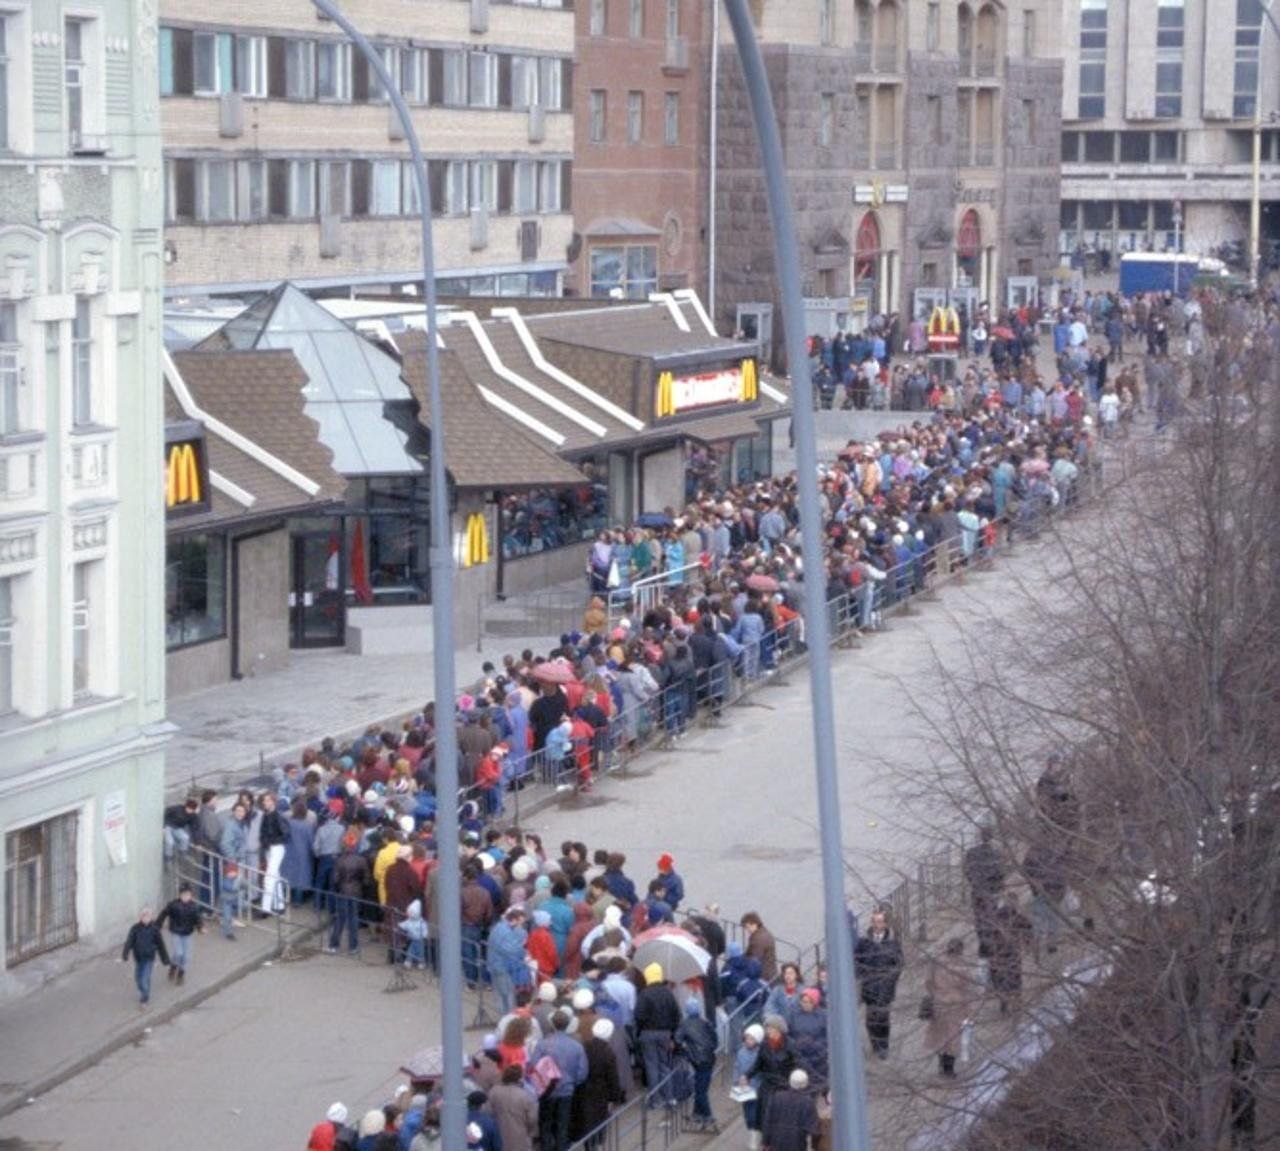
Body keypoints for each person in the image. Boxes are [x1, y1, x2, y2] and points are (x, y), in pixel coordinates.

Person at [531, 1007, 588, 1151]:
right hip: (566, 1091)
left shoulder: (542, 1044)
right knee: (563, 1124)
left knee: (545, 1124)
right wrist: (572, 1083)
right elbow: (582, 1072)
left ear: (552, 1024)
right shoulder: (576, 1046)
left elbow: (533, 1066)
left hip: (547, 1091)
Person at [853, 908, 904, 1059]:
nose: (877, 925)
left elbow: (899, 964)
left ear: (885, 924)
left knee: (883, 1019)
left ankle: (883, 1046)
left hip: (885, 988)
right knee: (870, 1020)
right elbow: (856, 960)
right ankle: (875, 1044)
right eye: (874, 921)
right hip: (869, 987)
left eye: (880, 922)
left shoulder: (892, 943)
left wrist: (890, 980)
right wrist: (863, 975)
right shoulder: (864, 942)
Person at [925, 938, 974, 1078]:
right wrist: (969, 1009)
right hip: (956, 1005)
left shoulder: (936, 963)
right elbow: (967, 988)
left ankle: (942, 1065)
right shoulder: (962, 966)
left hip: (939, 1003)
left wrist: (935, 994)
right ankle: (949, 1069)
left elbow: (928, 982)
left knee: (941, 1036)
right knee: (953, 1037)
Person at [634, 962, 681, 1107]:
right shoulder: (668, 993)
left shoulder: (644, 994)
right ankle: (670, 1098)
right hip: (665, 1034)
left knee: (651, 1066)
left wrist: (641, 1029)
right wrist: (672, 1033)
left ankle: (655, 1100)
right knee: (665, 1065)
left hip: (647, 1034)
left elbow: (638, 1015)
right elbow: (676, 1015)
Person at [574, 1017, 625, 1146]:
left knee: (586, 1119)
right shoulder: (607, 1052)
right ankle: (597, 1143)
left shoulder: (584, 1046)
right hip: (601, 1091)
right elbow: (612, 1076)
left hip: (584, 1088)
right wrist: (615, 1096)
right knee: (600, 1120)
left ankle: (588, 1145)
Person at [675, 996, 719, 1132]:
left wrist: (685, 1048)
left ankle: (708, 1115)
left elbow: (677, 1039)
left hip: (697, 1059)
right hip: (709, 1057)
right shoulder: (705, 1022)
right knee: (701, 1086)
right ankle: (697, 1114)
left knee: (700, 1091)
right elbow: (715, 1039)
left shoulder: (685, 1024)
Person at [963, 825, 1005, 960]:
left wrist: (974, 883)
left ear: (980, 836)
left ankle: (983, 944)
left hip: (977, 890)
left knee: (980, 917)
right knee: (992, 916)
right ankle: (991, 943)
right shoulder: (996, 853)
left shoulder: (971, 853)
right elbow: (1000, 873)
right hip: (991, 891)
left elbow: (967, 871)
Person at [120, 906, 170, 1007]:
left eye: (148, 916)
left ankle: (144, 999)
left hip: (149, 958)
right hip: (138, 958)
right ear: (140, 917)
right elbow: (129, 942)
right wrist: (125, 954)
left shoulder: (155, 930)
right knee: (138, 978)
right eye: (144, 916)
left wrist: (165, 959)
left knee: (144, 979)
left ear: (151, 917)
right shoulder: (135, 929)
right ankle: (142, 990)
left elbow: (161, 945)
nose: (146, 918)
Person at [762, 1068, 821, 1151]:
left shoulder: (776, 1097)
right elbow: (813, 1128)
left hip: (776, 1141)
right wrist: (815, 1146)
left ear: (790, 1081)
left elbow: (768, 1121)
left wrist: (766, 1142)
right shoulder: (807, 1102)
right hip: (797, 1143)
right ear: (805, 1084)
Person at [156, 882, 202, 986]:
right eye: (183, 895)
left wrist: (200, 928)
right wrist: (158, 925)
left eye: (188, 895)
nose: (185, 897)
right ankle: (173, 966)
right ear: (179, 895)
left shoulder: (194, 907)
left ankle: (181, 974)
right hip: (176, 932)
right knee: (179, 953)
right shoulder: (173, 905)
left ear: (191, 895)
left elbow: (198, 919)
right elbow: (164, 913)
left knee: (186, 957)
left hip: (187, 934)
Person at [488, 1064, 538, 1151]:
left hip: (499, 1136)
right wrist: (531, 1133)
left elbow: (488, 1112)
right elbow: (532, 1119)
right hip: (520, 1137)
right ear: (519, 1078)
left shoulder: (494, 1091)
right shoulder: (525, 1095)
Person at [740, 911, 778, 981]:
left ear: (754, 924)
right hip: (771, 972)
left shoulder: (759, 940)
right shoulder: (764, 932)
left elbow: (755, 960)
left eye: (747, 927)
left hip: (764, 976)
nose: (747, 930)